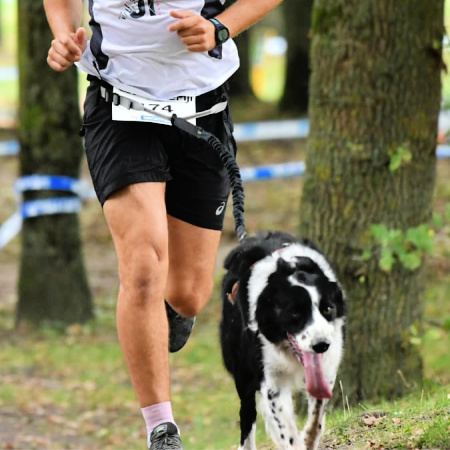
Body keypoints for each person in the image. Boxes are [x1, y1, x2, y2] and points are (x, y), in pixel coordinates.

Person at [44, 0, 283, 448]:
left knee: (189, 295)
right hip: (118, 109)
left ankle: (170, 312)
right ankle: (161, 428)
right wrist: (63, 32)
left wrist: (221, 27)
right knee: (142, 268)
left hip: (202, 110)